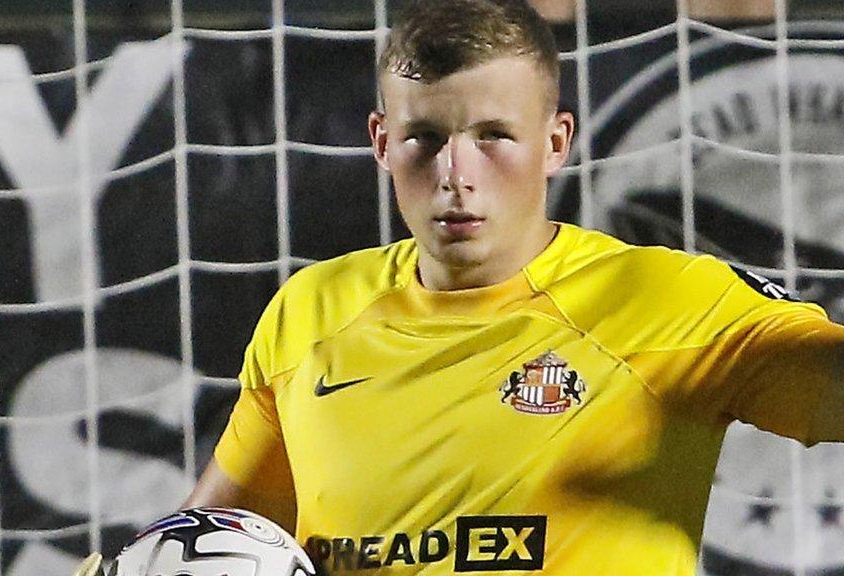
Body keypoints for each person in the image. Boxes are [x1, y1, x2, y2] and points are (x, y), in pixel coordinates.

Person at [178, 0, 844, 574]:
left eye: (493, 136)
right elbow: (210, 535)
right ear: (382, 142)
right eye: (425, 137)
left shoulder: (666, 300)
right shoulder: (312, 310)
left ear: (555, 143)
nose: (456, 173)